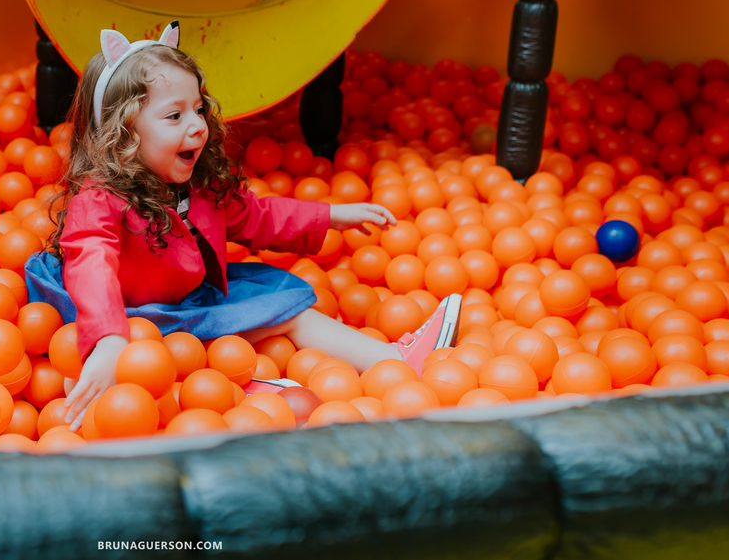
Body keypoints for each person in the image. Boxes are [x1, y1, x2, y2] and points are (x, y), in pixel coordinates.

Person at [26, 23, 461, 429]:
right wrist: (107, 338)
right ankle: (227, 388)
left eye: (198, 109)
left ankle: (394, 361)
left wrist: (331, 216)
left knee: (289, 312)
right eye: (174, 116)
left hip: (184, 309)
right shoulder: (99, 200)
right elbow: (92, 264)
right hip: (121, 318)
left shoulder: (200, 186)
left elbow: (258, 218)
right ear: (123, 133)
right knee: (89, 375)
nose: (197, 126)